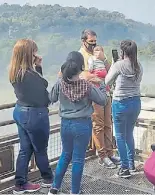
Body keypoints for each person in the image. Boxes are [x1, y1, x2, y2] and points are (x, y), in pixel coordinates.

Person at [48, 51, 108, 195]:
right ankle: (74, 192)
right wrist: (101, 86)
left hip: (66, 125)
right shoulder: (87, 86)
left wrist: (59, 80)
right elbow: (102, 100)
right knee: (78, 159)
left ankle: (54, 188)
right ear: (81, 66)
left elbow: (51, 98)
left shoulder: (60, 84)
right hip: (82, 125)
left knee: (65, 155)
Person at [8, 39, 53, 194]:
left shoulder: (15, 72)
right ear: (28, 54)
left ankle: (20, 184)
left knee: (25, 149)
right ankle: (49, 179)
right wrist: (39, 67)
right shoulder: (29, 75)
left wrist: (36, 67)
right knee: (40, 149)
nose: (36, 54)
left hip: (20, 111)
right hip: (35, 114)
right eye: (34, 51)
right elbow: (44, 88)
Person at [78, 29, 120, 169]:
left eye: (95, 41)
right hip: (93, 94)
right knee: (98, 125)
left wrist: (104, 59)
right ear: (83, 41)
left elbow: (109, 70)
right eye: (90, 42)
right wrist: (96, 78)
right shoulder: (81, 55)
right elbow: (82, 75)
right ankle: (102, 156)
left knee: (108, 123)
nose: (93, 44)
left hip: (106, 93)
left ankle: (110, 152)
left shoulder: (98, 52)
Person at [105, 40, 143, 178]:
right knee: (129, 134)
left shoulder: (119, 65)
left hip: (121, 102)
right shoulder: (139, 66)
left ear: (122, 52)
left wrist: (113, 66)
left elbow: (106, 81)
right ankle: (131, 164)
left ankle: (125, 168)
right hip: (136, 103)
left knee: (120, 135)